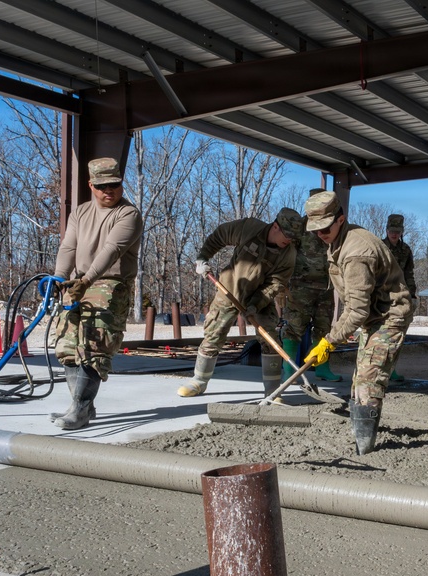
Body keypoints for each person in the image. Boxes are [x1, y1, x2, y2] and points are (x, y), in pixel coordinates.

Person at [300, 191, 413, 455]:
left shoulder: (356, 253)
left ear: (340, 219)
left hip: (389, 316)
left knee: (368, 379)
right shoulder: (341, 240)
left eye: (325, 228)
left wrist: (329, 341)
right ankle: (360, 433)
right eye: (315, 230)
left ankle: (365, 449)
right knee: (359, 376)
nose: (320, 235)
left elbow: (357, 310)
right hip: (374, 314)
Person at [52, 157, 143, 430]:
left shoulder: (128, 214)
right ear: (91, 185)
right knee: (66, 345)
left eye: (114, 185)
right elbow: (68, 247)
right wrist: (59, 276)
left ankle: (78, 409)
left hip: (110, 283)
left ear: (121, 183)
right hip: (78, 281)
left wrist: (88, 279)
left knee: (94, 345)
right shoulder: (80, 213)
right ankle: (82, 406)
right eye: (102, 186)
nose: (109, 191)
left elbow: (112, 249)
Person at [177, 208, 304, 399]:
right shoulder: (249, 228)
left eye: (294, 237)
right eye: (287, 235)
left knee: (269, 338)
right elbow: (220, 235)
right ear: (275, 226)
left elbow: (276, 284)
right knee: (214, 333)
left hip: (260, 296)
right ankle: (199, 381)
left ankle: (272, 391)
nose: (290, 241)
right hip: (229, 289)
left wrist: (255, 304)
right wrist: (203, 258)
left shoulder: (289, 254)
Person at [280, 189, 342, 383]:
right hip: (301, 287)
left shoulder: (333, 227)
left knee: (324, 328)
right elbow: (287, 253)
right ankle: (289, 371)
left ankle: (322, 367)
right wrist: (283, 283)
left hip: (326, 287)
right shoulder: (300, 228)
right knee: (294, 328)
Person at [382, 213, 416, 383]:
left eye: (397, 231)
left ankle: (391, 369)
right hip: (382, 295)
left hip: (400, 295)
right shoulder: (380, 247)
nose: (394, 234)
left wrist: (412, 294)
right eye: (391, 231)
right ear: (386, 230)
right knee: (380, 333)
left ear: (401, 232)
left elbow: (409, 273)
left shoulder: (406, 250)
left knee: (397, 333)